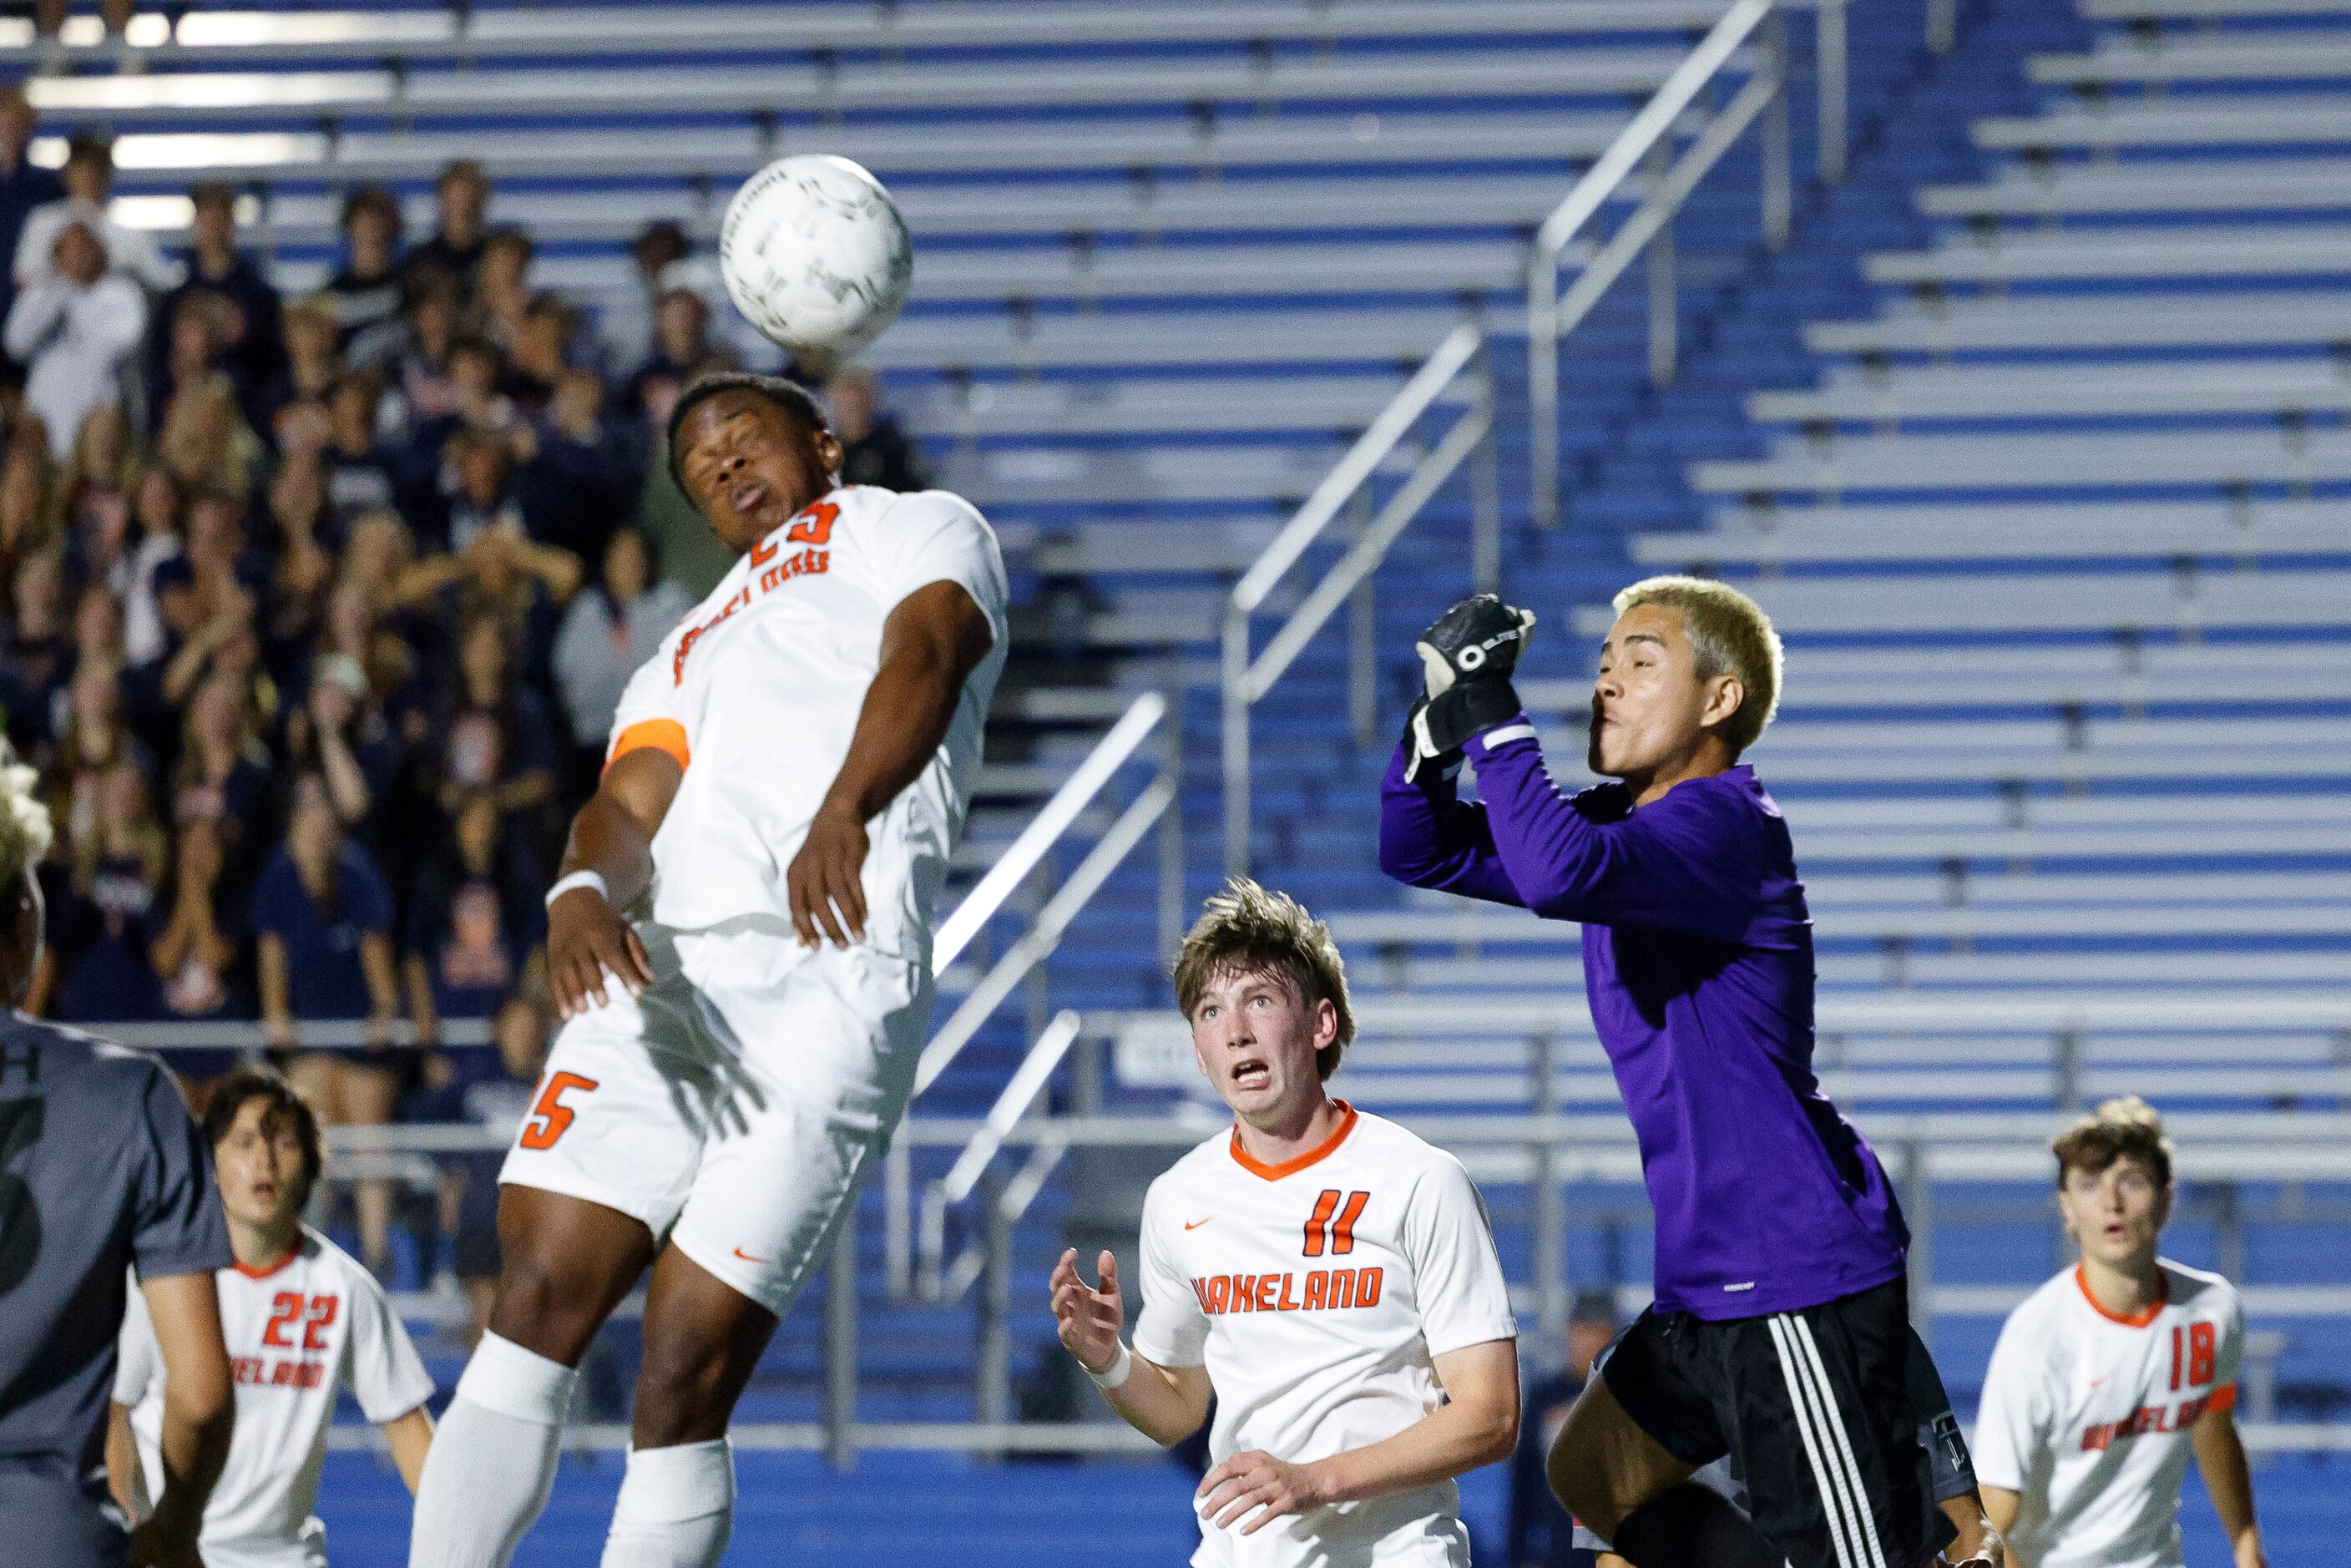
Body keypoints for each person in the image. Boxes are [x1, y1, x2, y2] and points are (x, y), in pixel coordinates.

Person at [407, 370, 1008, 1568]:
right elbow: (628, 800)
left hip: (831, 971)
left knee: (684, 1367)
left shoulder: (913, 524)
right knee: (534, 1299)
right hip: (666, 974)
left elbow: (929, 655)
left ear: (825, 443)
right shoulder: (690, 633)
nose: (723, 466)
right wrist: (581, 887)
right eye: (698, 467)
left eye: (744, 439)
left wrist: (847, 804)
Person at [1378, 579, 2000, 1568]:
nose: (1606, 685)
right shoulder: (1629, 829)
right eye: (1600, 665)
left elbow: (1550, 873)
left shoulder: (1719, 822)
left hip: (1785, 1283)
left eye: (1639, 661)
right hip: (1709, 1283)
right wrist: (1429, 737)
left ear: (1718, 701)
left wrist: (1492, 715)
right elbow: (1416, 850)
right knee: (1589, 1474)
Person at [1050, 878, 1519, 1565]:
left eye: (1259, 1001)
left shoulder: (1420, 1180)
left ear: (1321, 1024)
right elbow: (1178, 1405)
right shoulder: (1179, 1197)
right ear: (1199, 1052)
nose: (1234, 1029)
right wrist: (1108, 1362)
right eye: (1210, 1011)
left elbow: (1492, 1417)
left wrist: (1315, 1481)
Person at [0, 741, 236, 1568]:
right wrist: (173, 1528)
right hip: (48, 1535)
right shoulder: (132, 1094)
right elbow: (201, 1395)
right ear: (24, 921)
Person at [108, 1066, 437, 1568]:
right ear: (211, 1165)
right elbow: (113, 1421)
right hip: (175, 1555)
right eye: (243, 1142)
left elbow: (413, 1436)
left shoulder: (344, 1288)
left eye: (283, 1142)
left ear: (309, 1166)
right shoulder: (158, 1283)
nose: (263, 1160)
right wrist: (138, 1534)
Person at [1974, 1098, 2263, 1568]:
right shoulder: (2037, 1337)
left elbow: (2213, 1426)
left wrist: (2247, 1542)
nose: (2112, 1202)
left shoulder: (2213, 1309)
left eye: (2131, 1181)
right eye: (2089, 1186)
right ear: (2066, 1207)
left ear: (2167, 1196)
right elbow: (1994, 1508)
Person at [6, 218, 147, 463]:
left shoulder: (122, 293)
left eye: (85, 246)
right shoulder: (41, 294)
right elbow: (16, 344)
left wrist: (76, 298)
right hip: (44, 417)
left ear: (101, 251)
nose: (78, 254)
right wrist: (60, 294)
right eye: (70, 247)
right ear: (57, 256)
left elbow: (127, 339)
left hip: (98, 416)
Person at [1511, 1292, 1622, 1568]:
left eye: (1598, 1331)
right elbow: (1523, 1480)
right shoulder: (1545, 1396)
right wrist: (1519, 1555)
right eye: (1582, 1330)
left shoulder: (1628, 1397)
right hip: (1553, 1547)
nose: (1589, 1342)